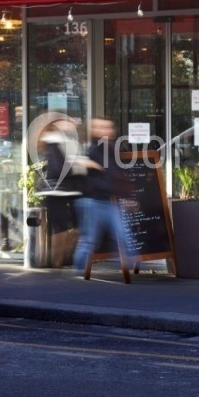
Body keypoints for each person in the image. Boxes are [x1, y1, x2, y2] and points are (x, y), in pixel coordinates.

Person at [72, 117, 134, 277]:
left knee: (121, 234)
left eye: (107, 127)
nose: (105, 131)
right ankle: (78, 270)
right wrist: (87, 164)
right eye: (100, 127)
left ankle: (129, 261)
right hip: (92, 201)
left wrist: (126, 195)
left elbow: (118, 176)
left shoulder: (111, 150)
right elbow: (75, 163)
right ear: (94, 131)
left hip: (108, 200)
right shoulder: (92, 149)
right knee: (90, 239)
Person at [40, 118, 83, 267]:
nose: (71, 123)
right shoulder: (55, 142)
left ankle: (62, 258)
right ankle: (58, 260)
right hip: (59, 191)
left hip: (66, 191)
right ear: (56, 125)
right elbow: (60, 169)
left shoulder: (65, 142)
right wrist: (79, 166)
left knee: (65, 227)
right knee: (62, 227)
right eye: (66, 121)